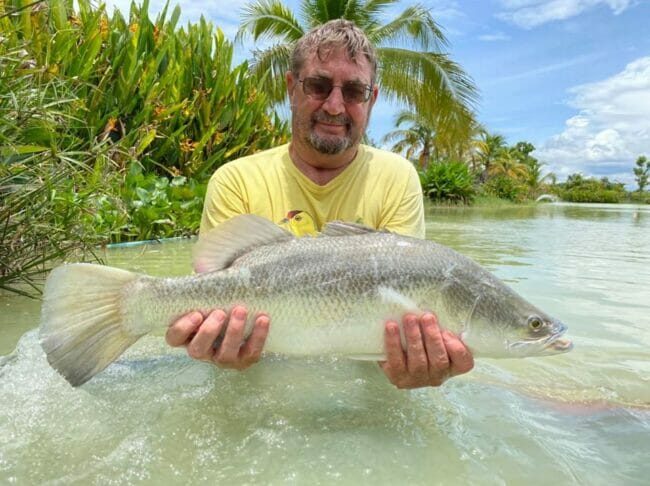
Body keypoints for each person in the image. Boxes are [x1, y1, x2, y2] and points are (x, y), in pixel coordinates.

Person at [165, 19, 474, 389]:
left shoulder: (397, 176)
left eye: (355, 91)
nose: (335, 106)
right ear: (291, 87)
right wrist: (213, 341)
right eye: (318, 85)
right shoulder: (235, 179)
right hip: (259, 384)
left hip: (360, 391)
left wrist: (417, 358)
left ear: (372, 99)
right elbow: (210, 292)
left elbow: (401, 312)